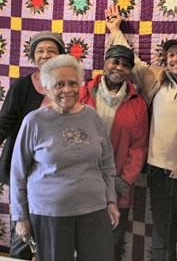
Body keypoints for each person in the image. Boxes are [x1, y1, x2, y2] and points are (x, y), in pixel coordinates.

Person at [104, 4, 177, 261]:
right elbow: (131, 62)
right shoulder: (155, 79)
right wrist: (115, 30)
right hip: (158, 172)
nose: (175, 58)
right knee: (161, 235)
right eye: (170, 54)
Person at [10, 55, 120, 261]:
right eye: (59, 84)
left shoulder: (92, 116)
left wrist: (111, 200)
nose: (67, 90)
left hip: (94, 209)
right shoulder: (34, 121)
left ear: (80, 85)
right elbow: (18, 172)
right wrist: (21, 217)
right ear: (47, 88)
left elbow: (107, 163)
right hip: (50, 213)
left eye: (72, 83)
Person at [80, 42, 149, 261]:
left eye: (126, 64)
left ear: (130, 71)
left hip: (118, 185)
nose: (119, 67)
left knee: (112, 242)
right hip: (82, 182)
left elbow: (139, 147)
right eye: (115, 61)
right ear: (105, 63)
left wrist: (124, 181)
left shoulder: (137, 103)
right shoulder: (83, 92)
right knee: (81, 240)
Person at [0, 31, 65, 260]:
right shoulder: (22, 86)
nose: (45, 55)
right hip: (24, 172)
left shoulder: (67, 86)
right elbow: (4, 123)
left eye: (51, 50)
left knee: (52, 236)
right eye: (40, 50)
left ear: (60, 56)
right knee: (23, 232)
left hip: (54, 174)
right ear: (33, 56)